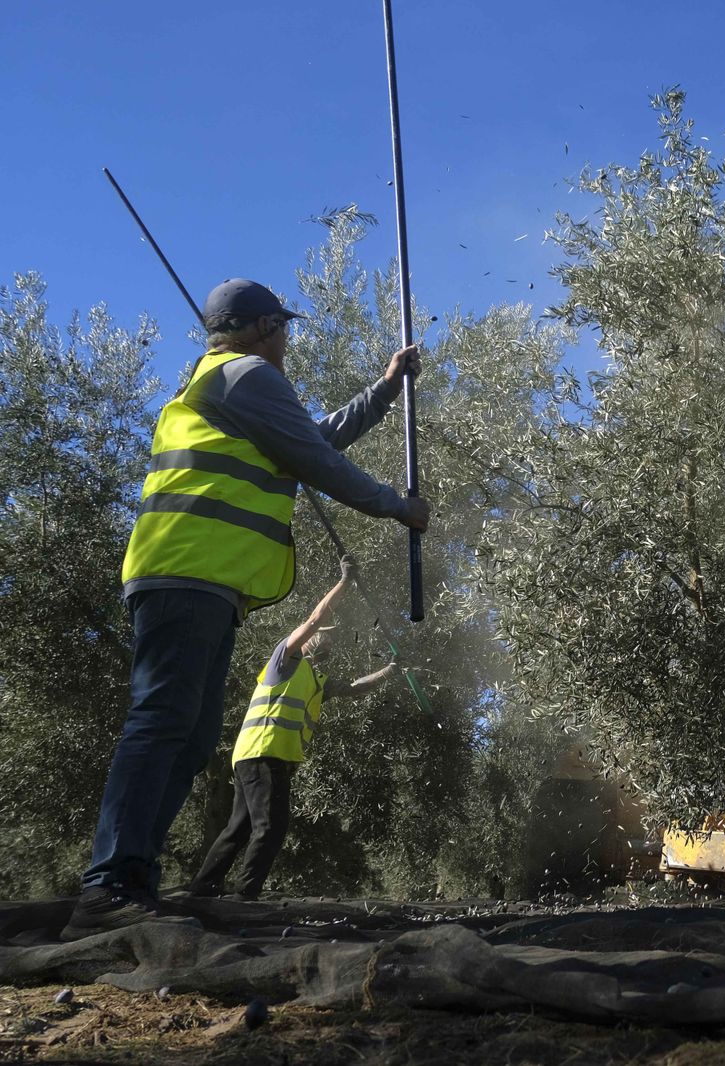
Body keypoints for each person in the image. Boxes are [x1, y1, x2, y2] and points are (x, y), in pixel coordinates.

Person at [63, 278, 430, 940]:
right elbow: (315, 458)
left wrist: (384, 391)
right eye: (284, 328)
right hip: (187, 572)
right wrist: (396, 506)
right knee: (162, 720)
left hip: (202, 581)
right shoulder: (249, 376)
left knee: (191, 732)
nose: (288, 340)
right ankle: (110, 882)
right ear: (265, 327)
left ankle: (131, 879)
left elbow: (311, 437)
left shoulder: (227, 381)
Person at [188, 560, 398, 900]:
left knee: (239, 828)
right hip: (264, 752)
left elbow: (355, 686)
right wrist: (344, 582)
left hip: (258, 756)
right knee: (270, 827)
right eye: (322, 639)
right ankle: (245, 896)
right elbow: (317, 619)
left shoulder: (317, 680)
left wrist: (389, 671)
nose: (327, 643)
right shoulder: (285, 660)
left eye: (329, 641)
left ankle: (202, 889)